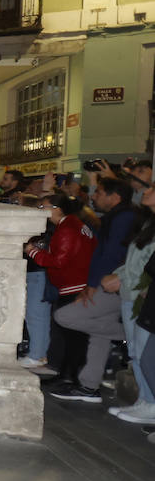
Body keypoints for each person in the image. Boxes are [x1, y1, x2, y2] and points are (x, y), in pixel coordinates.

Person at [51, 178, 135, 403]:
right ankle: (89, 387)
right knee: (99, 335)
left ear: (114, 196)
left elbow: (113, 253)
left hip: (111, 285)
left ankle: (129, 334)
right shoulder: (114, 217)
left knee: (64, 316)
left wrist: (93, 283)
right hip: (102, 282)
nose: (94, 196)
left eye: (99, 192)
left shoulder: (124, 217)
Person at [25, 194, 96, 385]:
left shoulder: (67, 229)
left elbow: (59, 261)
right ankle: (66, 374)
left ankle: (71, 377)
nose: (41, 210)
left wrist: (33, 251)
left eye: (44, 207)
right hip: (75, 284)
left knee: (73, 335)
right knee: (70, 333)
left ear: (57, 209)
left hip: (73, 286)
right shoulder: (74, 225)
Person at [104, 184, 155, 423]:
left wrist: (138, 285)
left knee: (145, 352)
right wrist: (118, 275)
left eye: (152, 189)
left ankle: (151, 403)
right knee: (135, 351)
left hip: (141, 296)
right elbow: (135, 262)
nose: (145, 192)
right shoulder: (147, 223)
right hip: (130, 293)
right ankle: (144, 400)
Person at [16, 194, 54, 371]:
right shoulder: (42, 228)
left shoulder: (43, 229)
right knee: (36, 316)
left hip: (39, 275)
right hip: (35, 274)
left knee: (36, 315)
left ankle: (37, 354)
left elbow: (38, 251)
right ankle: (39, 353)